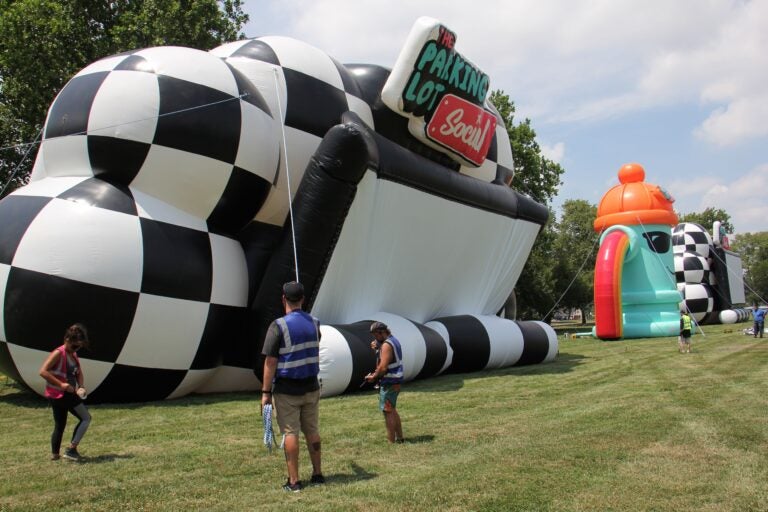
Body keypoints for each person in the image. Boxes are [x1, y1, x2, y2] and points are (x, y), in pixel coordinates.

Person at [261, 281, 324, 492]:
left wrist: (265, 393)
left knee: (290, 433)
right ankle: (317, 474)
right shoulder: (315, 323)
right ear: (303, 299)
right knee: (312, 431)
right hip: (311, 387)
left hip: (288, 390)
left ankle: (294, 481)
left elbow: (270, 362)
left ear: (283, 299)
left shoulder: (278, 326)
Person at [39, 323, 92, 461]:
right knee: (86, 418)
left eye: (79, 346)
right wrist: (61, 384)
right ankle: (72, 450)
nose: (77, 349)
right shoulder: (58, 353)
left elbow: (78, 372)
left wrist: (81, 386)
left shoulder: (72, 354)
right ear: (66, 340)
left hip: (61, 394)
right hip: (61, 394)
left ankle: (55, 454)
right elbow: (43, 371)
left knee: (60, 424)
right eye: (75, 346)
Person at [365, 321, 404, 443]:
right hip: (395, 380)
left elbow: (383, 368)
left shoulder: (387, 345)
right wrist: (378, 347)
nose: (374, 338)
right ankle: (400, 438)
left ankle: (391, 441)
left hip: (389, 381)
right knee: (391, 409)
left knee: (387, 411)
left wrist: (374, 377)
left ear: (381, 332)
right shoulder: (393, 340)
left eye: (375, 335)